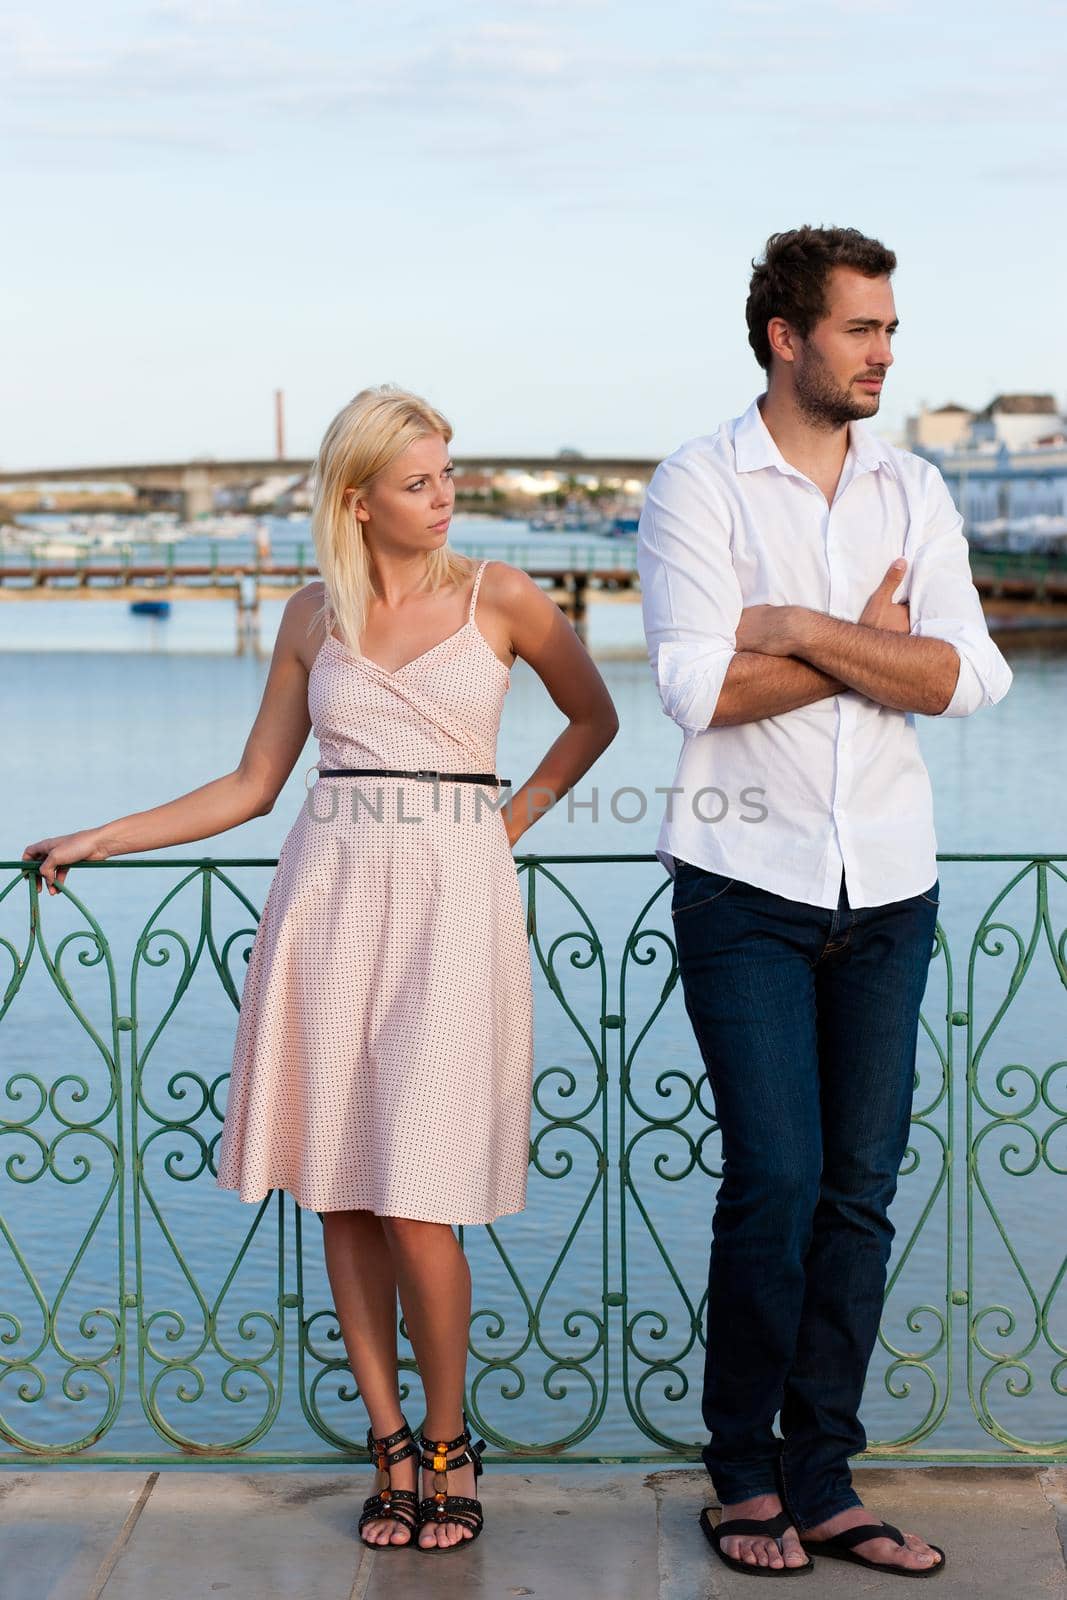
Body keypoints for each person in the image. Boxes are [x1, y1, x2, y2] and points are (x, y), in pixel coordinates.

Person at [22, 385, 619, 1553]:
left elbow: (591, 718)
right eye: (419, 482)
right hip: (331, 896)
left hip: (453, 903)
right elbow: (251, 786)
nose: (447, 498)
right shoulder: (309, 615)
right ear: (357, 500)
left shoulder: (500, 595)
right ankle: (388, 1443)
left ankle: (450, 1441)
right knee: (344, 1183)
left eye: (450, 475)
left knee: (417, 1195)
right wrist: (102, 833)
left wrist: (504, 828)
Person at [637, 226, 1012, 1579]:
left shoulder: (911, 486)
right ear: (785, 338)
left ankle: (823, 1476)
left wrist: (792, 626)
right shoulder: (696, 484)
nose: (885, 351)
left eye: (889, 327)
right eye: (861, 329)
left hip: (891, 887)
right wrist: (871, 642)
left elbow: (968, 678)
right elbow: (694, 691)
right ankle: (739, 1471)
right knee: (777, 1178)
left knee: (857, 1189)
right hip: (743, 882)